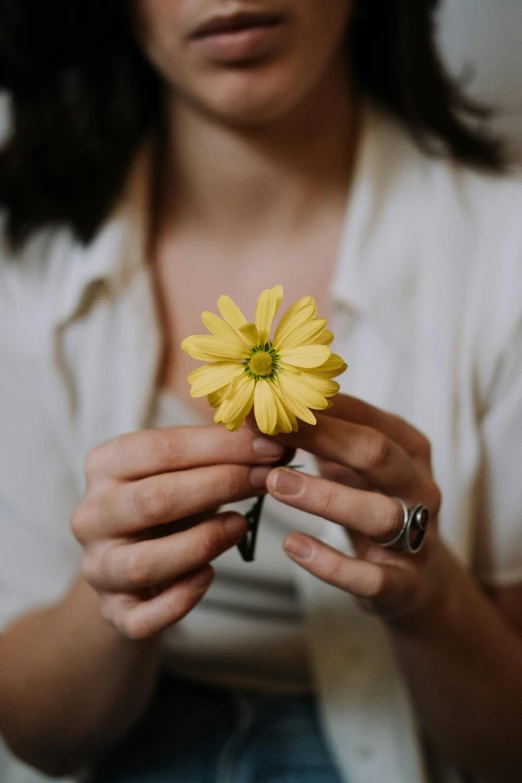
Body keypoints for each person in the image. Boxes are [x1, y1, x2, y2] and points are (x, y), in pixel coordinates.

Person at [0, 1, 522, 782]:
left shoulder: (503, 256)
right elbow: (36, 732)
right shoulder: (25, 266)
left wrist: (431, 598)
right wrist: (109, 601)